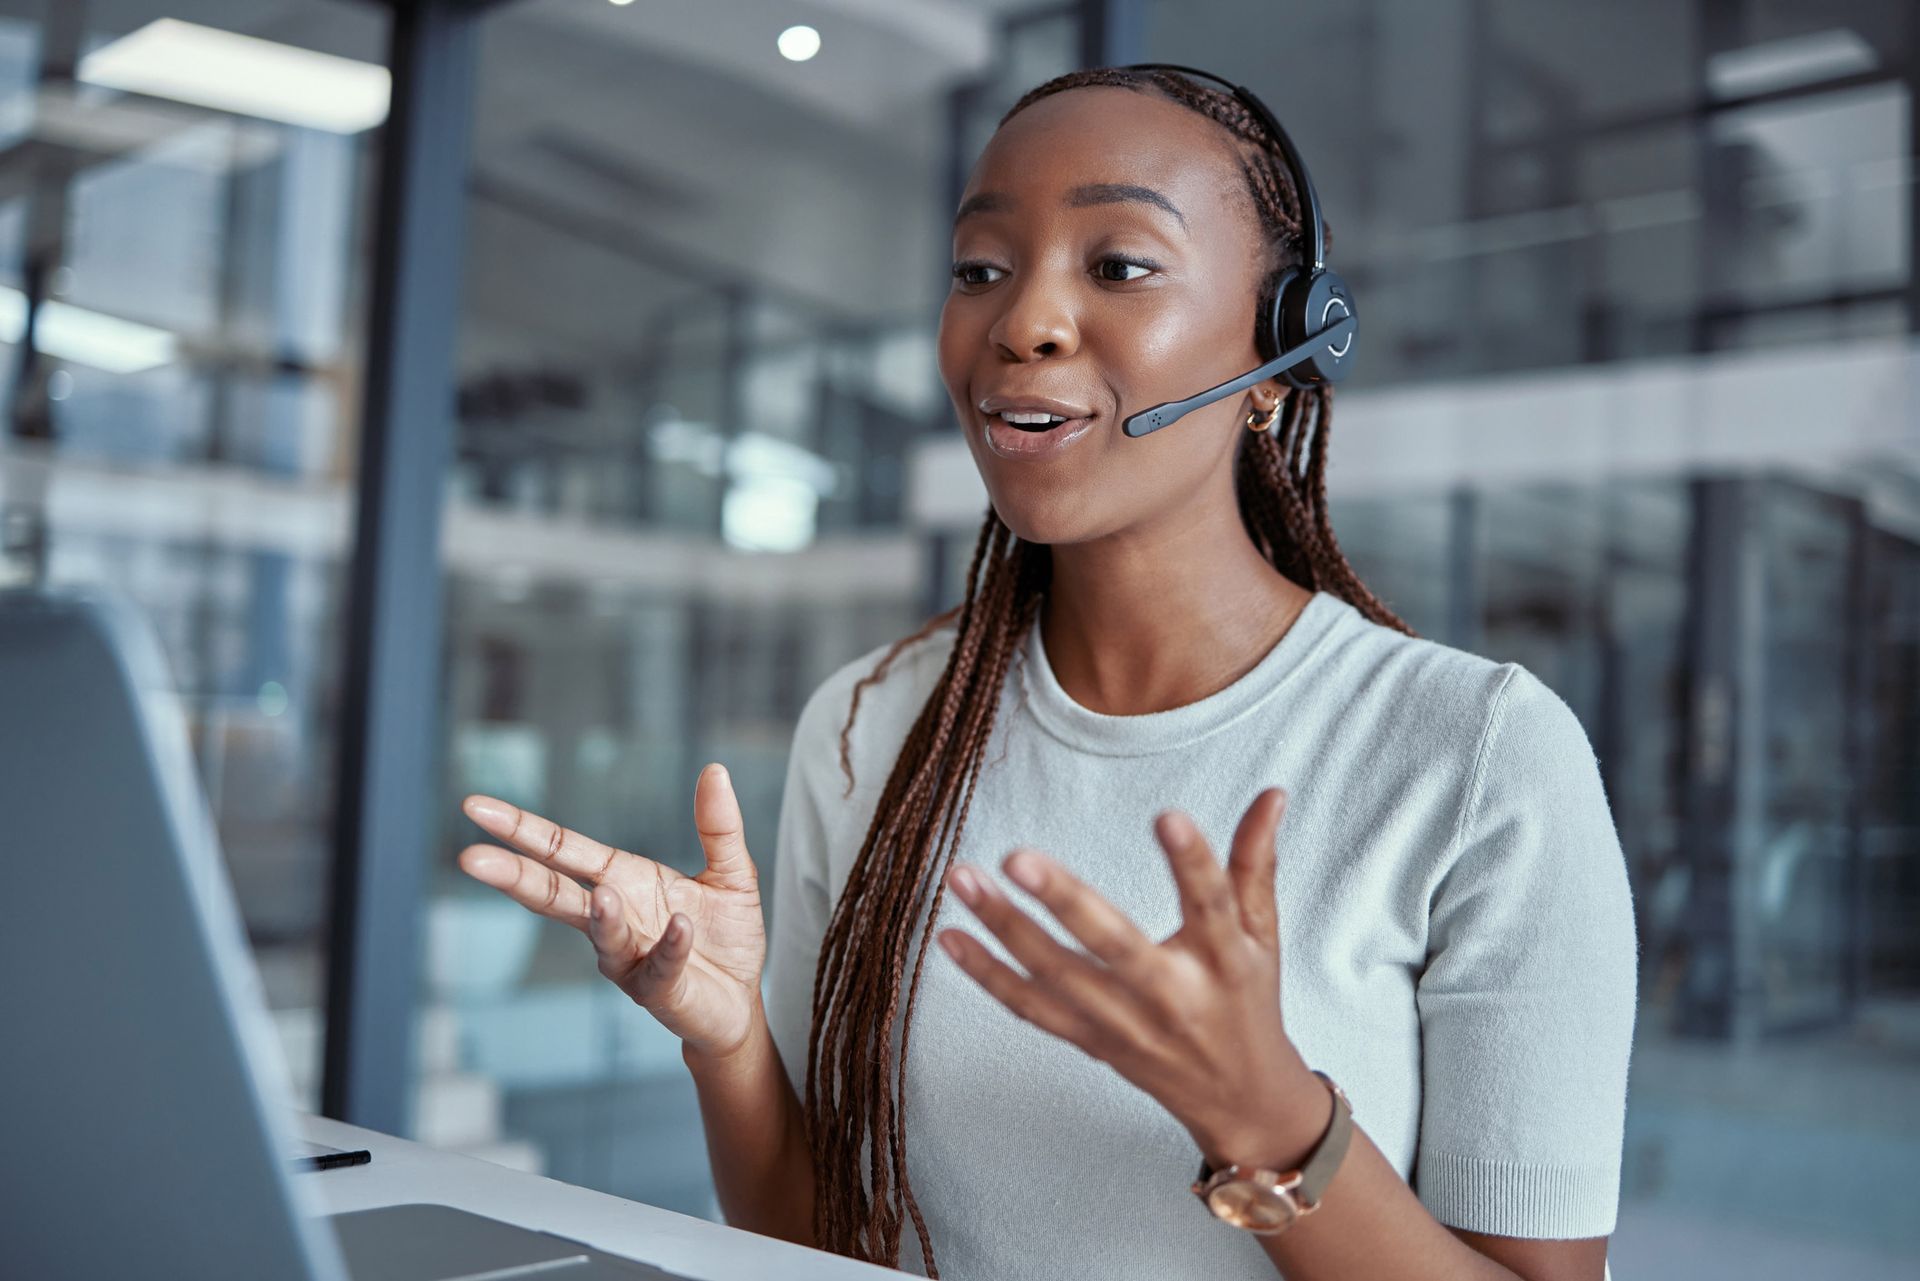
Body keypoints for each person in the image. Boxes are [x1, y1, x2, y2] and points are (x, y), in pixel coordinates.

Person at [457, 65, 1636, 1281]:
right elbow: (820, 1249)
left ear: (1283, 353)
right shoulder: (873, 723)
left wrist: (1271, 1120)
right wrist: (726, 1045)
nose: (1024, 321)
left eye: (1119, 265)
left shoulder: (1481, 756)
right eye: (980, 270)